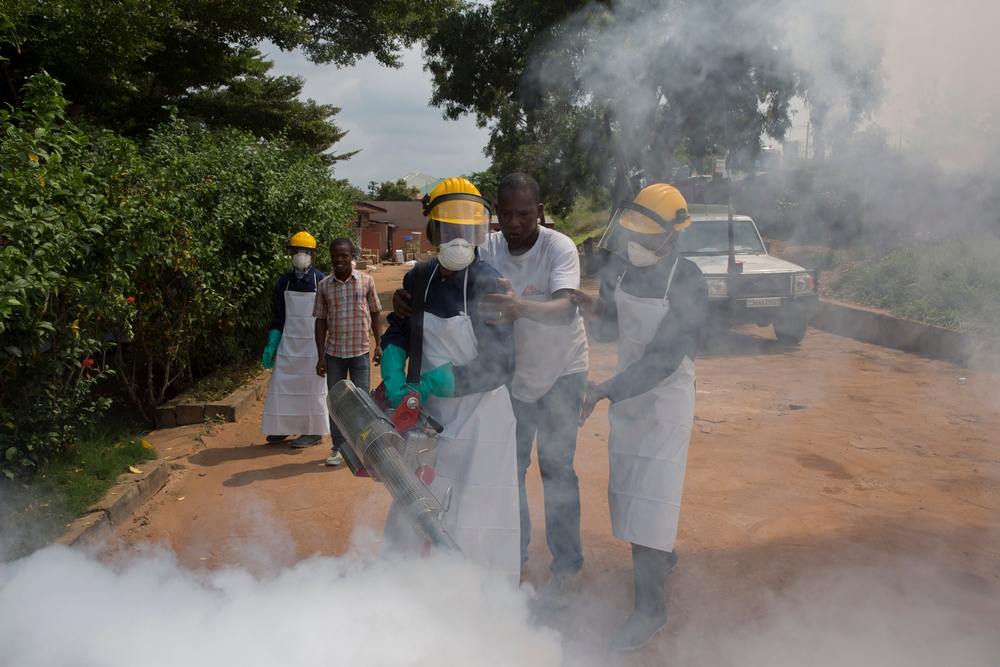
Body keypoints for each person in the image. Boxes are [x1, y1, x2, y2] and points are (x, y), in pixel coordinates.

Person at [392, 173, 589, 605]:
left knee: (556, 468)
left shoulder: (559, 248)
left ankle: (567, 565)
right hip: (511, 378)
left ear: (539, 211)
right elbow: (443, 272)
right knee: (508, 470)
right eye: (507, 213)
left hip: (560, 372)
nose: (515, 222)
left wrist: (521, 307)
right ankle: (513, 554)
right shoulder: (489, 247)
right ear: (494, 216)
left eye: (524, 213)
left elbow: (566, 309)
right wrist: (404, 301)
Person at [572, 183, 707, 652]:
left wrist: (606, 389)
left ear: (672, 237)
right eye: (634, 234)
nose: (637, 245)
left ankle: (651, 609)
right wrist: (590, 310)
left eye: (648, 237)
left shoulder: (689, 280)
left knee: (652, 493)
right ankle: (661, 554)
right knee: (630, 488)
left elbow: (665, 357)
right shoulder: (621, 271)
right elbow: (613, 330)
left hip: (666, 399)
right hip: (628, 396)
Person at [380, 177, 520, 580]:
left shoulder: (488, 283)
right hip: (428, 417)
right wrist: (393, 363)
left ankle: (477, 598)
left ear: (479, 231)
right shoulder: (417, 278)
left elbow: (499, 365)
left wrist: (428, 382)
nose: (459, 237)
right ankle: (415, 592)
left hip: (482, 418)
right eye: (450, 228)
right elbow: (399, 329)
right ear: (433, 231)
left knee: (475, 511)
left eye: (468, 228)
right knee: (419, 502)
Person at [314, 237, 382, 467]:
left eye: (344, 255)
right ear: (331, 257)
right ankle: (338, 447)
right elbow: (320, 321)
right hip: (333, 354)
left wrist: (379, 344)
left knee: (362, 401)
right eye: (335, 255)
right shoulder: (324, 285)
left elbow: (375, 313)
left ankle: (364, 448)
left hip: (360, 351)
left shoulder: (366, 282)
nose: (339, 259)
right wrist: (321, 355)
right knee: (337, 402)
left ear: (352, 256)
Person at [260, 232, 330, 447]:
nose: (301, 256)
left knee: (312, 388)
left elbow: (328, 315)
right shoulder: (284, 282)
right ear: (291, 254)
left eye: (305, 252)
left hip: (313, 344)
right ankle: (283, 427)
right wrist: (272, 343)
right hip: (289, 343)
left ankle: (314, 431)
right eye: (297, 252)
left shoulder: (322, 280)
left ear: (313, 255)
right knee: (284, 385)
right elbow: (279, 315)